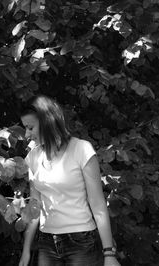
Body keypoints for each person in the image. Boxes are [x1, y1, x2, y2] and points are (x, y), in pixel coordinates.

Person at [18, 95, 120, 266]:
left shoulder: (82, 149)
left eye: (30, 128)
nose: (26, 134)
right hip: (47, 243)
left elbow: (97, 204)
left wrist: (109, 253)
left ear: (47, 122)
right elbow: (35, 205)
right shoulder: (33, 157)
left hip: (81, 241)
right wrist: (26, 251)